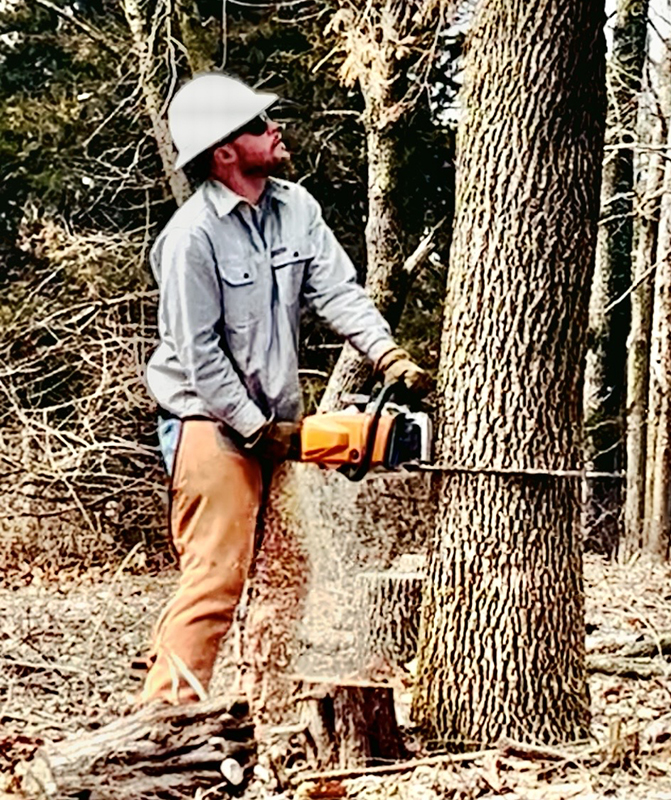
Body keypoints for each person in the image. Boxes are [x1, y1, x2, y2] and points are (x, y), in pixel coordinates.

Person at [140, 72, 430, 705]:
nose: (273, 130)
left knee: (287, 574)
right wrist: (254, 428)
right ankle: (160, 726)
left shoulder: (296, 207)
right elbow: (199, 353)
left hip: (279, 421)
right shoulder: (191, 238)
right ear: (224, 153)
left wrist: (387, 355)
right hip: (208, 424)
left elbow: (337, 291)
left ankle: (261, 715)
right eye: (255, 125)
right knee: (216, 580)